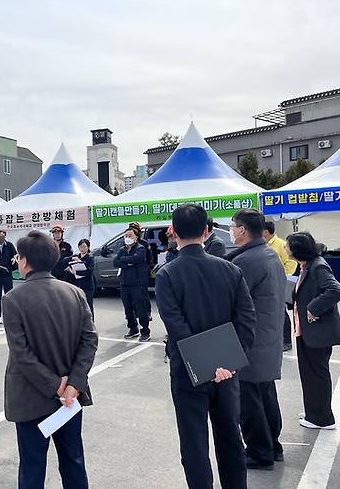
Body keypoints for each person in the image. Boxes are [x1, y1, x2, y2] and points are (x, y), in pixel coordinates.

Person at [156, 204, 256, 489]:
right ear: (206, 231)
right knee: (230, 438)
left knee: (194, 444)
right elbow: (247, 321)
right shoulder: (230, 270)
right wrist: (230, 363)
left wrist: (205, 364)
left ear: (173, 232)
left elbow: (177, 326)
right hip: (228, 372)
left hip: (188, 371)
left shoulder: (167, 274)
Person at [2, 230, 98, 489]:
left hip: (31, 398)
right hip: (69, 399)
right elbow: (89, 341)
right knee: (73, 462)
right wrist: (73, 385)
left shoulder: (12, 299)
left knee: (32, 468)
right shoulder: (74, 293)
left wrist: (56, 385)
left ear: (24, 261)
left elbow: (21, 354)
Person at [226, 209, 286, 470]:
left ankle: (260, 452)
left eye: (233, 226)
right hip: (268, 338)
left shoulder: (247, 261)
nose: (231, 230)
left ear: (241, 230)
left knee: (248, 401)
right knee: (266, 395)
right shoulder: (269, 255)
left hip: (250, 342)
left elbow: (231, 301)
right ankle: (274, 446)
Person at [287, 232, 340, 430]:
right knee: (309, 373)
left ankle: (323, 418)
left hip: (319, 332)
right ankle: (314, 411)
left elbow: (336, 290)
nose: (285, 249)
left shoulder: (318, 266)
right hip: (307, 330)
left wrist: (313, 307)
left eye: (288, 246)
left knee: (317, 374)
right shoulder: (306, 266)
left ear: (297, 249)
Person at [264, 221, 298, 352]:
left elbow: (291, 263)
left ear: (266, 231)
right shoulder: (264, 244)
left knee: (282, 312)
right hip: (268, 284)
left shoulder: (281, 244)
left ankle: (287, 341)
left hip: (279, 283)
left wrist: (283, 276)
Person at [114, 228, 151, 342]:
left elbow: (137, 258)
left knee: (141, 307)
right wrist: (128, 263)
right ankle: (133, 329)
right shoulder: (122, 249)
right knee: (128, 308)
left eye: (130, 235)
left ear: (136, 237)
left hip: (137, 283)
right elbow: (116, 262)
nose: (127, 238)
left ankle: (145, 331)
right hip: (124, 283)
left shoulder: (140, 248)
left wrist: (124, 260)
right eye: (126, 235)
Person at [65, 238, 96, 317]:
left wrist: (76, 271)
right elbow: (64, 261)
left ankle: (91, 324)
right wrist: (71, 264)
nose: (82, 249)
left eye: (85, 247)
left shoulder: (90, 257)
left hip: (87, 285)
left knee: (89, 306)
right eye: (81, 247)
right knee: (79, 306)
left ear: (88, 247)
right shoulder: (76, 256)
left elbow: (89, 271)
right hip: (77, 284)